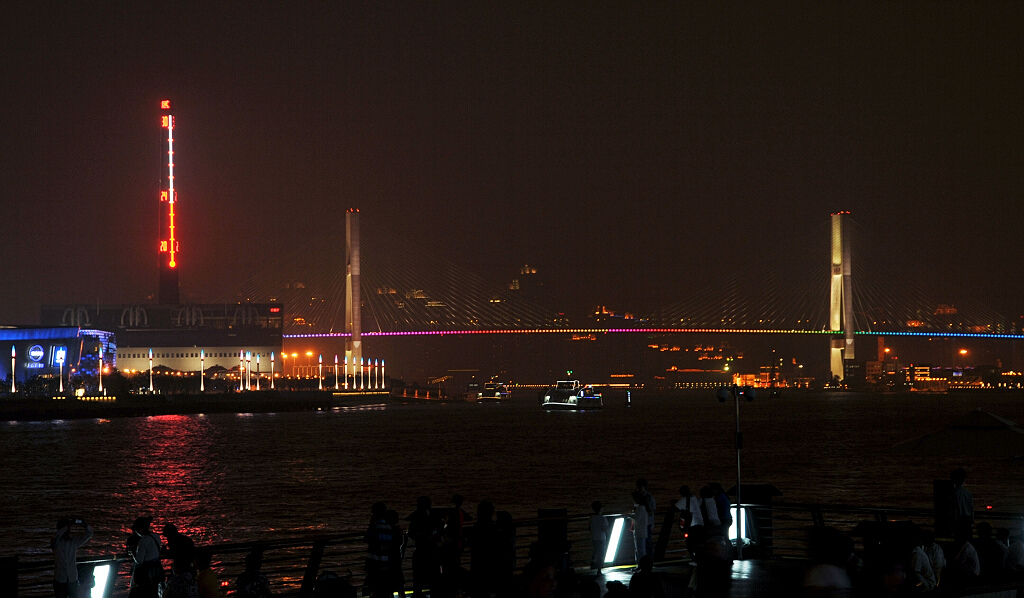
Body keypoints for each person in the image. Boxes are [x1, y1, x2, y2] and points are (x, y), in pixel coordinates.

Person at [406, 496, 440, 598]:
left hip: (421, 551)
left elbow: (411, 534)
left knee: (418, 579)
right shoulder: (436, 518)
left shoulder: (415, 518)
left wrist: (420, 535)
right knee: (434, 579)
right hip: (432, 552)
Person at [52, 517, 94, 598]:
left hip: (70, 579)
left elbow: (89, 534)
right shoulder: (57, 543)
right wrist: (68, 525)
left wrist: (85, 525)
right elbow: (57, 535)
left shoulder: (72, 542)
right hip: (63, 579)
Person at [363, 502, 395, 598]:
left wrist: (371, 525)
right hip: (386, 564)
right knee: (385, 590)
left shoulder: (375, 527)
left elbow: (367, 539)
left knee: (374, 589)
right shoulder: (390, 528)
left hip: (374, 564)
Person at [128, 516, 164, 598]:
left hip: (146, 573)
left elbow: (139, 561)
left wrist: (133, 552)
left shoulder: (143, 541)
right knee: (154, 592)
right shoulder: (156, 537)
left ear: (140, 529)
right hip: (156, 569)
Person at [675, 486, 705, 561]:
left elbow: (675, 508)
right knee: (699, 542)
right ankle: (700, 559)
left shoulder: (683, 499)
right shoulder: (694, 498)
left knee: (690, 543)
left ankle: (695, 559)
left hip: (692, 525)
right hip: (700, 523)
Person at [949, 468, 974, 534]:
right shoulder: (968, 493)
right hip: (968, 521)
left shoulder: (955, 494)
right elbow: (971, 509)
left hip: (959, 522)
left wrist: (953, 524)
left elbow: (954, 511)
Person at [636, 479, 656, 557]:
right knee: (645, 543)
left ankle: (648, 559)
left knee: (646, 543)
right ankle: (647, 560)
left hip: (646, 523)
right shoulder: (644, 497)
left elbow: (651, 510)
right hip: (644, 523)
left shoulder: (648, 497)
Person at [589, 501, 609, 573]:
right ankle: (599, 569)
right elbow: (605, 528)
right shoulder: (603, 518)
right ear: (601, 508)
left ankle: (593, 564)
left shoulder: (592, 518)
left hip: (594, 537)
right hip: (602, 537)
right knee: (601, 553)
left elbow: (590, 528)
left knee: (595, 551)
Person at [632, 489, 649, 560]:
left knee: (640, 550)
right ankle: (641, 565)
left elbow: (637, 518)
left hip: (640, 532)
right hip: (641, 532)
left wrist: (629, 516)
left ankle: (641, 565)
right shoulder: (643, 508)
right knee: (640, 549)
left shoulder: (641, 508)